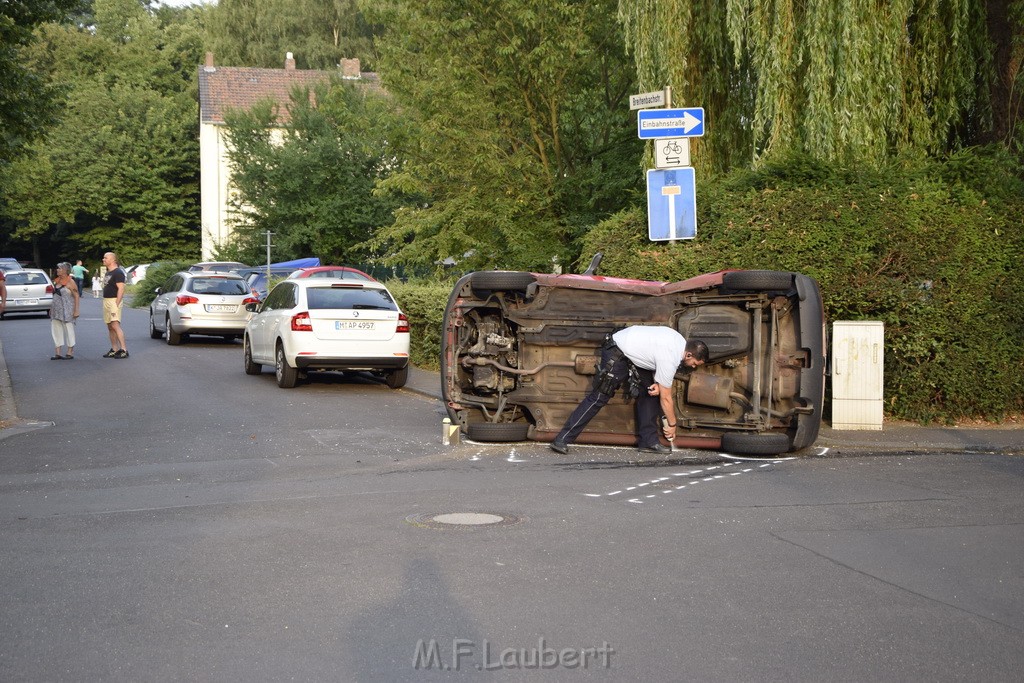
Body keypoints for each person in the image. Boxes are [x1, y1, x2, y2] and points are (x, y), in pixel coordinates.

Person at [550, 326, 708, 455]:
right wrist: (672, 424)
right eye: (694, 363)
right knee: (599, 397)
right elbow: (667, 399)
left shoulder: (680, 341)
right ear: (688, 354)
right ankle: (562, 439)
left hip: (633, 353)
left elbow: (653, 355)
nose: (693, 367)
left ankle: (648, 442)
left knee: (650, 392)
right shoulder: (672, 356)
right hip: (617, 351)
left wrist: (658, 384)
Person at [49, 262, 80, 359]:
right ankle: (58, 353)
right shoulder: (56, 281)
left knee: (69, 330)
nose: (57, 270)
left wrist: (76, 310)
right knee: (56, 330)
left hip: (67, 310)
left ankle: (70, 352)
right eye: (57, 268)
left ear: (66, 271)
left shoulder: (71, 282)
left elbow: (76, 295)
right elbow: (54, 296)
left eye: (60, 268)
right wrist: (51, 308)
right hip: (56, 310)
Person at [101, 251, 129, 359]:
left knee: (115, 325)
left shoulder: (118, 272)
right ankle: (114, 349)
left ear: (113, 260)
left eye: (105, 258)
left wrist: (116, 303)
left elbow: (121, 288)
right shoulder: (108, 272)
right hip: (106, 301)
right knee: (110, 326)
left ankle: (123, 350)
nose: (103, 259)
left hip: (113, 301)